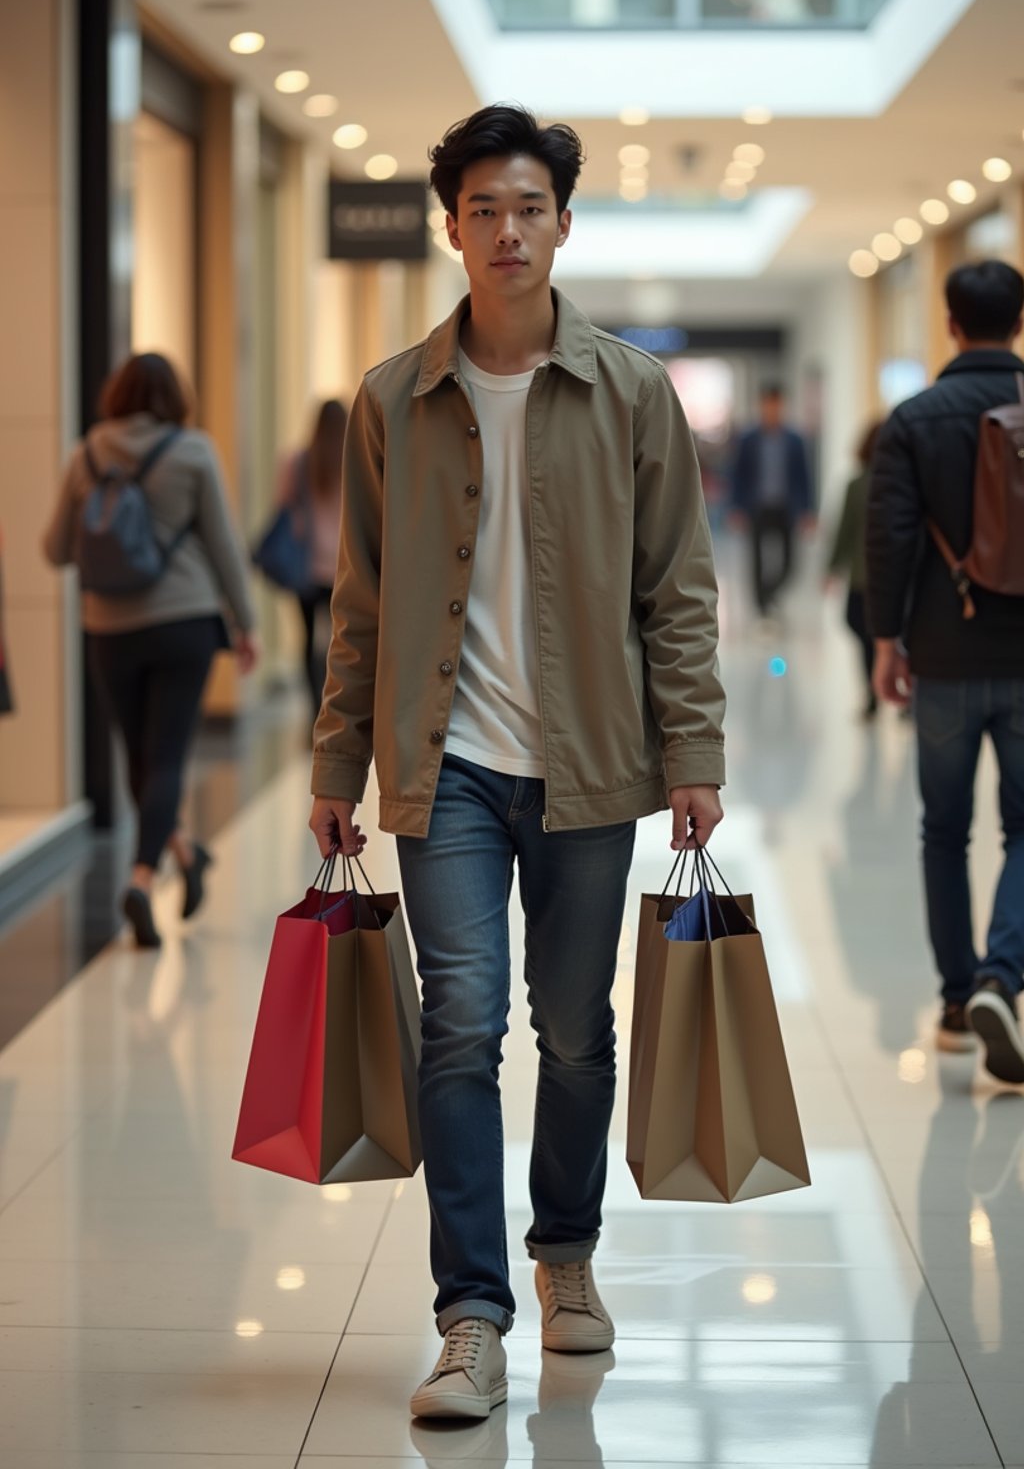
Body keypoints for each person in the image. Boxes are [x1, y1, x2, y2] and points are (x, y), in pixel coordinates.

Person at [308, 104, 726, 1422]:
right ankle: (471, 1317)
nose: (505, 229)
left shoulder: (630, 391)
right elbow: (362, 602)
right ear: (450, 227)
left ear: (562, 222)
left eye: (528, 206)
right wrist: (335, 755)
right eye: (482, 208)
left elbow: (680, 590)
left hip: (595, 768)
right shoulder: (392, 400)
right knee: (460, 1028)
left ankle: (567, 1256)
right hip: (450, 772)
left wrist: (695, 746)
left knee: (580, 1032)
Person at [43, 352, 258, 949]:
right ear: (174, 397)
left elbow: (55, 549)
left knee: (139, 756)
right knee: (164, 757)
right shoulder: (191, 452)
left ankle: (183, 856)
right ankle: (148, 875)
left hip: (108, 627)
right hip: (184, 621)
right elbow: (223, 544)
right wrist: (248, 624)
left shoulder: (84, 455)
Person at [866, 259, 1024, 1072]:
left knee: (943, 830)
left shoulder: (916, 419)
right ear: (1019, 322)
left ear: (953, 323)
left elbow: (890, 540)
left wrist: (886, 642)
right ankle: (1006, 970)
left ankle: (961, 996)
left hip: (946, 653)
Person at [274, 399, 347, 721]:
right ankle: (338, 705)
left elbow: (285, 505)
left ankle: (313, 707)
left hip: (306, 565)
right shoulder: (354, 458)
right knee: (340, 640)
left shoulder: (299, 461)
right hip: (344, 566)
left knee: (306, 640)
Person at [729, 382, 814, 618]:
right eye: (768, 404)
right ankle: (762, 610)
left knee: (790, 563)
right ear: (761, 405)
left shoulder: (794, 440)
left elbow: (804, 476)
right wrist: (736, 507)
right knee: (756, 561)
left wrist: (808, 510)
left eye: (776, 404)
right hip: (757, 507)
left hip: (786, 508)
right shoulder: (749, 439)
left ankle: (768, 594)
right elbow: (738, 474)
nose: (772, 409)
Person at [826, 420, 883, 719]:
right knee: (891, 637)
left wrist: (832, 569)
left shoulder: (857, 484)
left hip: (862, 577)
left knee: (863, 633)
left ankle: (874, 694)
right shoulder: (901, 481)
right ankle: (895, 696)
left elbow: (844, 530)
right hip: (889, 578)